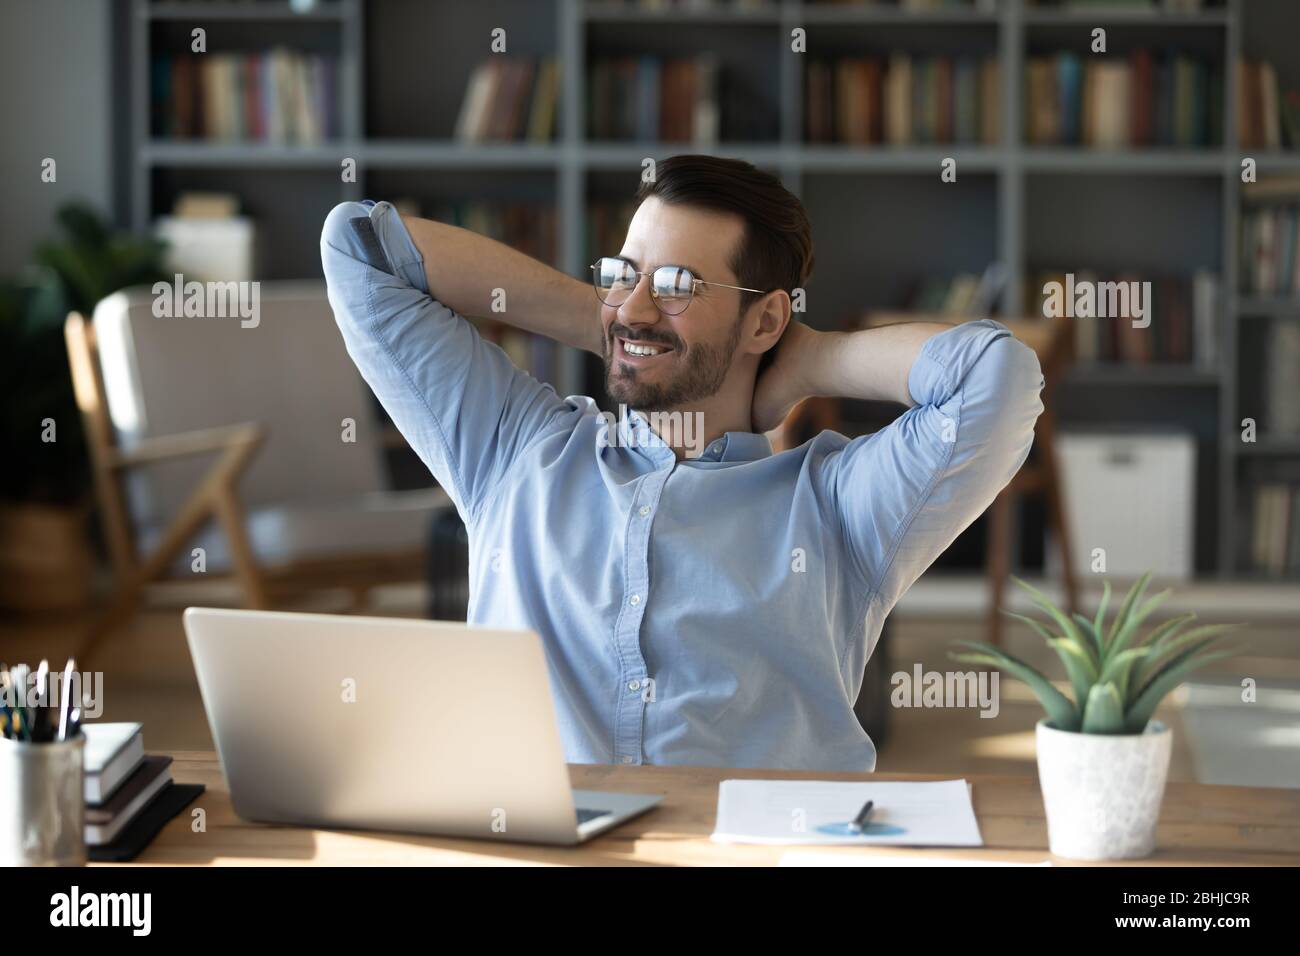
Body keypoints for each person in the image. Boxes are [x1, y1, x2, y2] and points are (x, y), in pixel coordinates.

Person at [320, 154, 1043, 771]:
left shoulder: (836, 505)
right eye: (624, 274)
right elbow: (358, 249)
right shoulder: (514, 448)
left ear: (765, 320)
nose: (635, 305)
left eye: (676, 286)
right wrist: (617, 324)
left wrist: (805, 362)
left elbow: (997, 378)